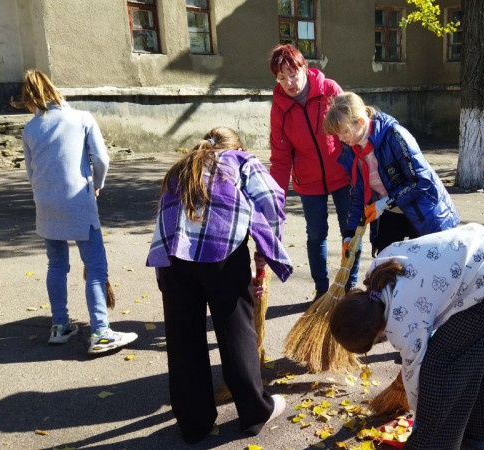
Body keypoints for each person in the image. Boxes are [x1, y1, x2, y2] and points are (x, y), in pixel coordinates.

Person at [146, 127, 293, 444]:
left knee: (183, 340)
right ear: (236, 146)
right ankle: (255, 412)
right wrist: (265, 252)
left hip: (174, 260)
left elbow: (164, 219)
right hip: (221, 253)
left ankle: (194, 423)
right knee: (234, 329)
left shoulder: (180, 168)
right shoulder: (242, 160)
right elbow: (271, 199)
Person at [329, 223, 484, 450]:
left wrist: (422, 420)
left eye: (376, 342)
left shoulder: (401, 324)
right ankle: (475, 438)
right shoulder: (377, 272)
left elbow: (417, 379)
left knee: (439, 370)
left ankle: (438, 445)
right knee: (474, 356)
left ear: (376, 332)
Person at [17, 70, 137, 355]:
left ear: (33, 101)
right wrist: (97, 185)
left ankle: (60, 325)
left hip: (46, 203)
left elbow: (30, 170)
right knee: (95, 267)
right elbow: (102, 159)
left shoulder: (31, 128)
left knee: (56, 265)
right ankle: (101, 331)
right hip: (78, 200)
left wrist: (43, 194)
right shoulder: (81, 118)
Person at [268, 44, 358, 299]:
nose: (289, 83)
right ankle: (321, 290)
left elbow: (351, 134)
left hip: (343, 176)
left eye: (293, 74)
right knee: (316, 235)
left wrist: (359, 175)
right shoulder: (279, 109)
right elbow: (281, 159)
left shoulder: (329, 90)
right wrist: (276, 203)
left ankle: (348, 286)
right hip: (308, 182)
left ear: (305, 68)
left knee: (349, 231)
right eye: (281, 77)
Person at [323, 92, 461, 258]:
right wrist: (349, 234)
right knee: (384, 266)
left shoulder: (395, 135)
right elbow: (359, 195)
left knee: (424, 271)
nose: (341, 138)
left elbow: (421, 181)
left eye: (344, 132)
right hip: (390, 213)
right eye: (337, 134)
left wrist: (384, 203)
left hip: (424, 212)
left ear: (360, 122)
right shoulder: (351, 151)